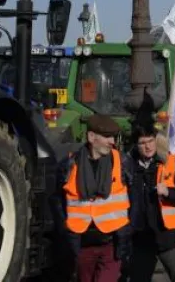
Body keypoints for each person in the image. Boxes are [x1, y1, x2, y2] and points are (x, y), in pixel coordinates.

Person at [54, 114, 131, 282]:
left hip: (112, 244)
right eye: (106, 136)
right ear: (91, 137)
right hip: (82, 246)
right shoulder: (69, 164)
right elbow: (57, 202)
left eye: (113, 136)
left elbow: (135, 198)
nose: (112, 141)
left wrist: (127, 233)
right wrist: (65, 230)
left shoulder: (122, 162)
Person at [126, 124, 175, 282]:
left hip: (166, 236)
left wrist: (169, 192)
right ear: (136, 145)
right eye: (142, 143)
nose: (147, 146)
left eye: (150, 141)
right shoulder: (128, 166)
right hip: (141, 235)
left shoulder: (173, 163)